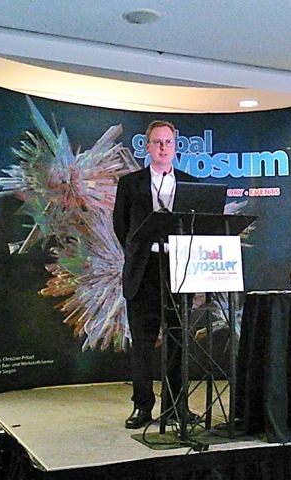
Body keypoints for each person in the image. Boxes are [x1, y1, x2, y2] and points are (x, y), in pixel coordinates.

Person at [113, 120, 197, 429]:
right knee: (143, 343)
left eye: (168, 142)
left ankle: (176, 407)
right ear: (147, 147)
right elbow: (120, 226)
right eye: (157, 142)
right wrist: (140, 250)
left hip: (178, 269)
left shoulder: (190, 183)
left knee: (177, 341)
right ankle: (142, 406)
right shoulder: (130, 183)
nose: (163, 147)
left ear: (175, 147)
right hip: (143, 270)